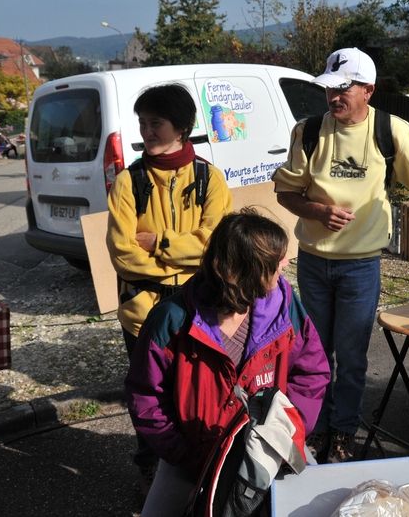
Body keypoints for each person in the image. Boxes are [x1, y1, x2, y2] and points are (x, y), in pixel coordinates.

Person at [272, 47, 409, 463]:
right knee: (314, 354)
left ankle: (343, 432)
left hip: (360, 267)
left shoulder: (392, 131)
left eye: (344, 88)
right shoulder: (308, 131)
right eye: (329, 88)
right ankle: (315, 429)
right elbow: (286, 192)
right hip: (313, 262)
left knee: (351, 357)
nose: (334, 97)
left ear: (368, 90)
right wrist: (317, 210)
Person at [126, 209, 330, 517]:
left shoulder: (285, 306)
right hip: (192, 459)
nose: (286, 264)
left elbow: (312, 372)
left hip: (272, 449)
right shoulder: (172, 320)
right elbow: (146, 396)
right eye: (276, 259)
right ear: (244, 271)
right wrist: (182, 453)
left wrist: (288, 431)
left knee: (317, 507)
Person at [107, 83, 232, 490]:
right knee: (150, 399)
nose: (146, 132)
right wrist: (184, 257)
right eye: (142, 123)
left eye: (155, 123)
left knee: (198, 393)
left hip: (200, 309)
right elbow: (123, 253)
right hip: (143, 314)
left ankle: (199, 466)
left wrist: (159, 243)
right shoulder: (128, 182)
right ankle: (150, 467)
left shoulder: (210, 179)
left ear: (181, 127)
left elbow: (215, 245)